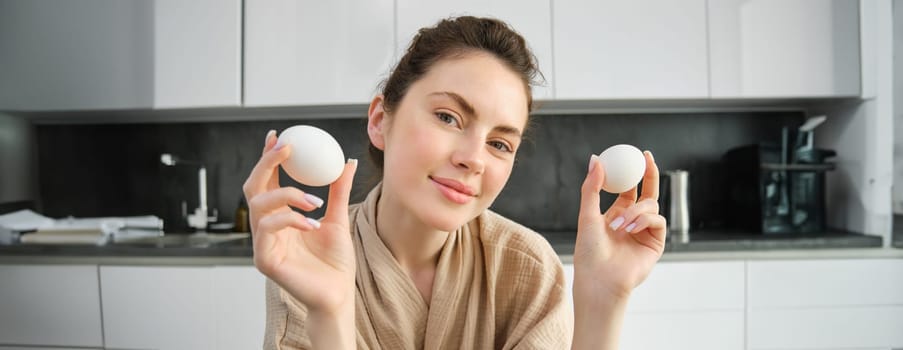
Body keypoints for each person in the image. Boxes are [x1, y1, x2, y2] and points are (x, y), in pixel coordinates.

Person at [243, 16, 666, 350]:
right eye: (448, 117)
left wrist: (603, 300)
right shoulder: (309, 260)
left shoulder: (528, 267)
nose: (472, 158)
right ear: (379, 120)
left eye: (500, 143)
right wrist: (329, 311)